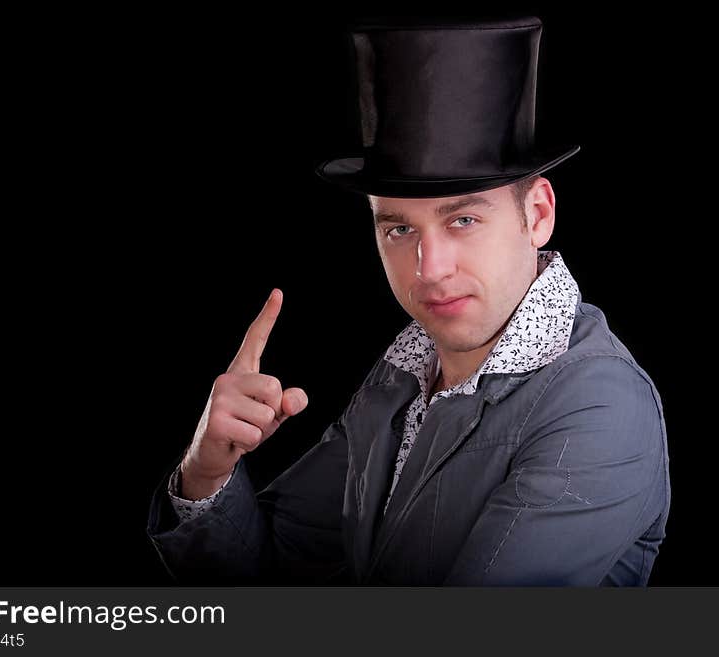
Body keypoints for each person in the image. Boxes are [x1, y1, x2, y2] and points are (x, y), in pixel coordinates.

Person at [147, 17, 671, 585]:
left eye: (464, 219)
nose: (429, 268)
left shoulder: (599, 404)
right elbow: (274, 566)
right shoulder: (404, 372)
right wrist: (207, 472)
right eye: (399, 230)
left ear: (537, 215)